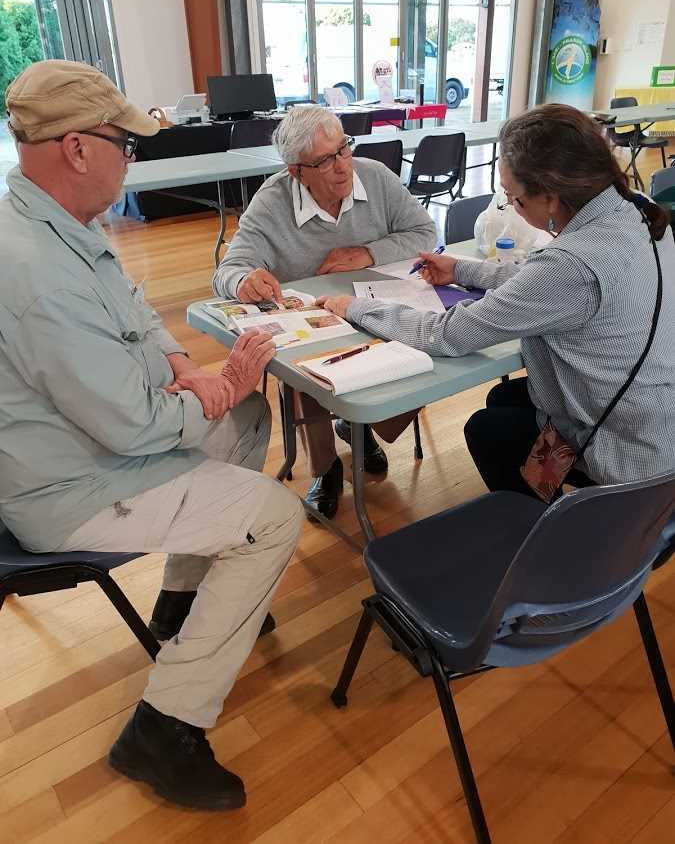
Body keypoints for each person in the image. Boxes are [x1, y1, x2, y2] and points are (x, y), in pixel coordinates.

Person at [0, 60, 304, 811]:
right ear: (77, 149)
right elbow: (134, 426)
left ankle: (179, 602)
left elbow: (132, 307)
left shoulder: (53, 224)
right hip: (70, 486)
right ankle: (162, 728)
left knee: (248, 419)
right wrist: (221, 386)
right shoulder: (36, 271)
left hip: (89, 448)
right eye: (124, 145)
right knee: (274, 516)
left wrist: (184, 367)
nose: (131, 160)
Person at [318, 104, 675, 494]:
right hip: (656, 415)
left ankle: (542, 524)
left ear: (551, 198)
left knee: (486, 430)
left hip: (628, 452)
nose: (511, 207)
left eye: (513, 199)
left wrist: (355, 307)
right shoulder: (634, 210)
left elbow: (447, 334)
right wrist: (462, 270)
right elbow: (541, 283)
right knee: (503, 396)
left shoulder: (569, 265)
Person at [214, 105, 437, 517]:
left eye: (344, 149)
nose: (342, 166)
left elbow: (425, 232)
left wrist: (368, 252)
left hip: (375, 309)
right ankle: (325, 467)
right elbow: (228, 270)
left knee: (427, 349)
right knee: (303, 370)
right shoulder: (272, 201)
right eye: (325, 160)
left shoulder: (375, 177)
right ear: (297, 172)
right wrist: (242, 281)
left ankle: (360, 425)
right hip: (315, 327)